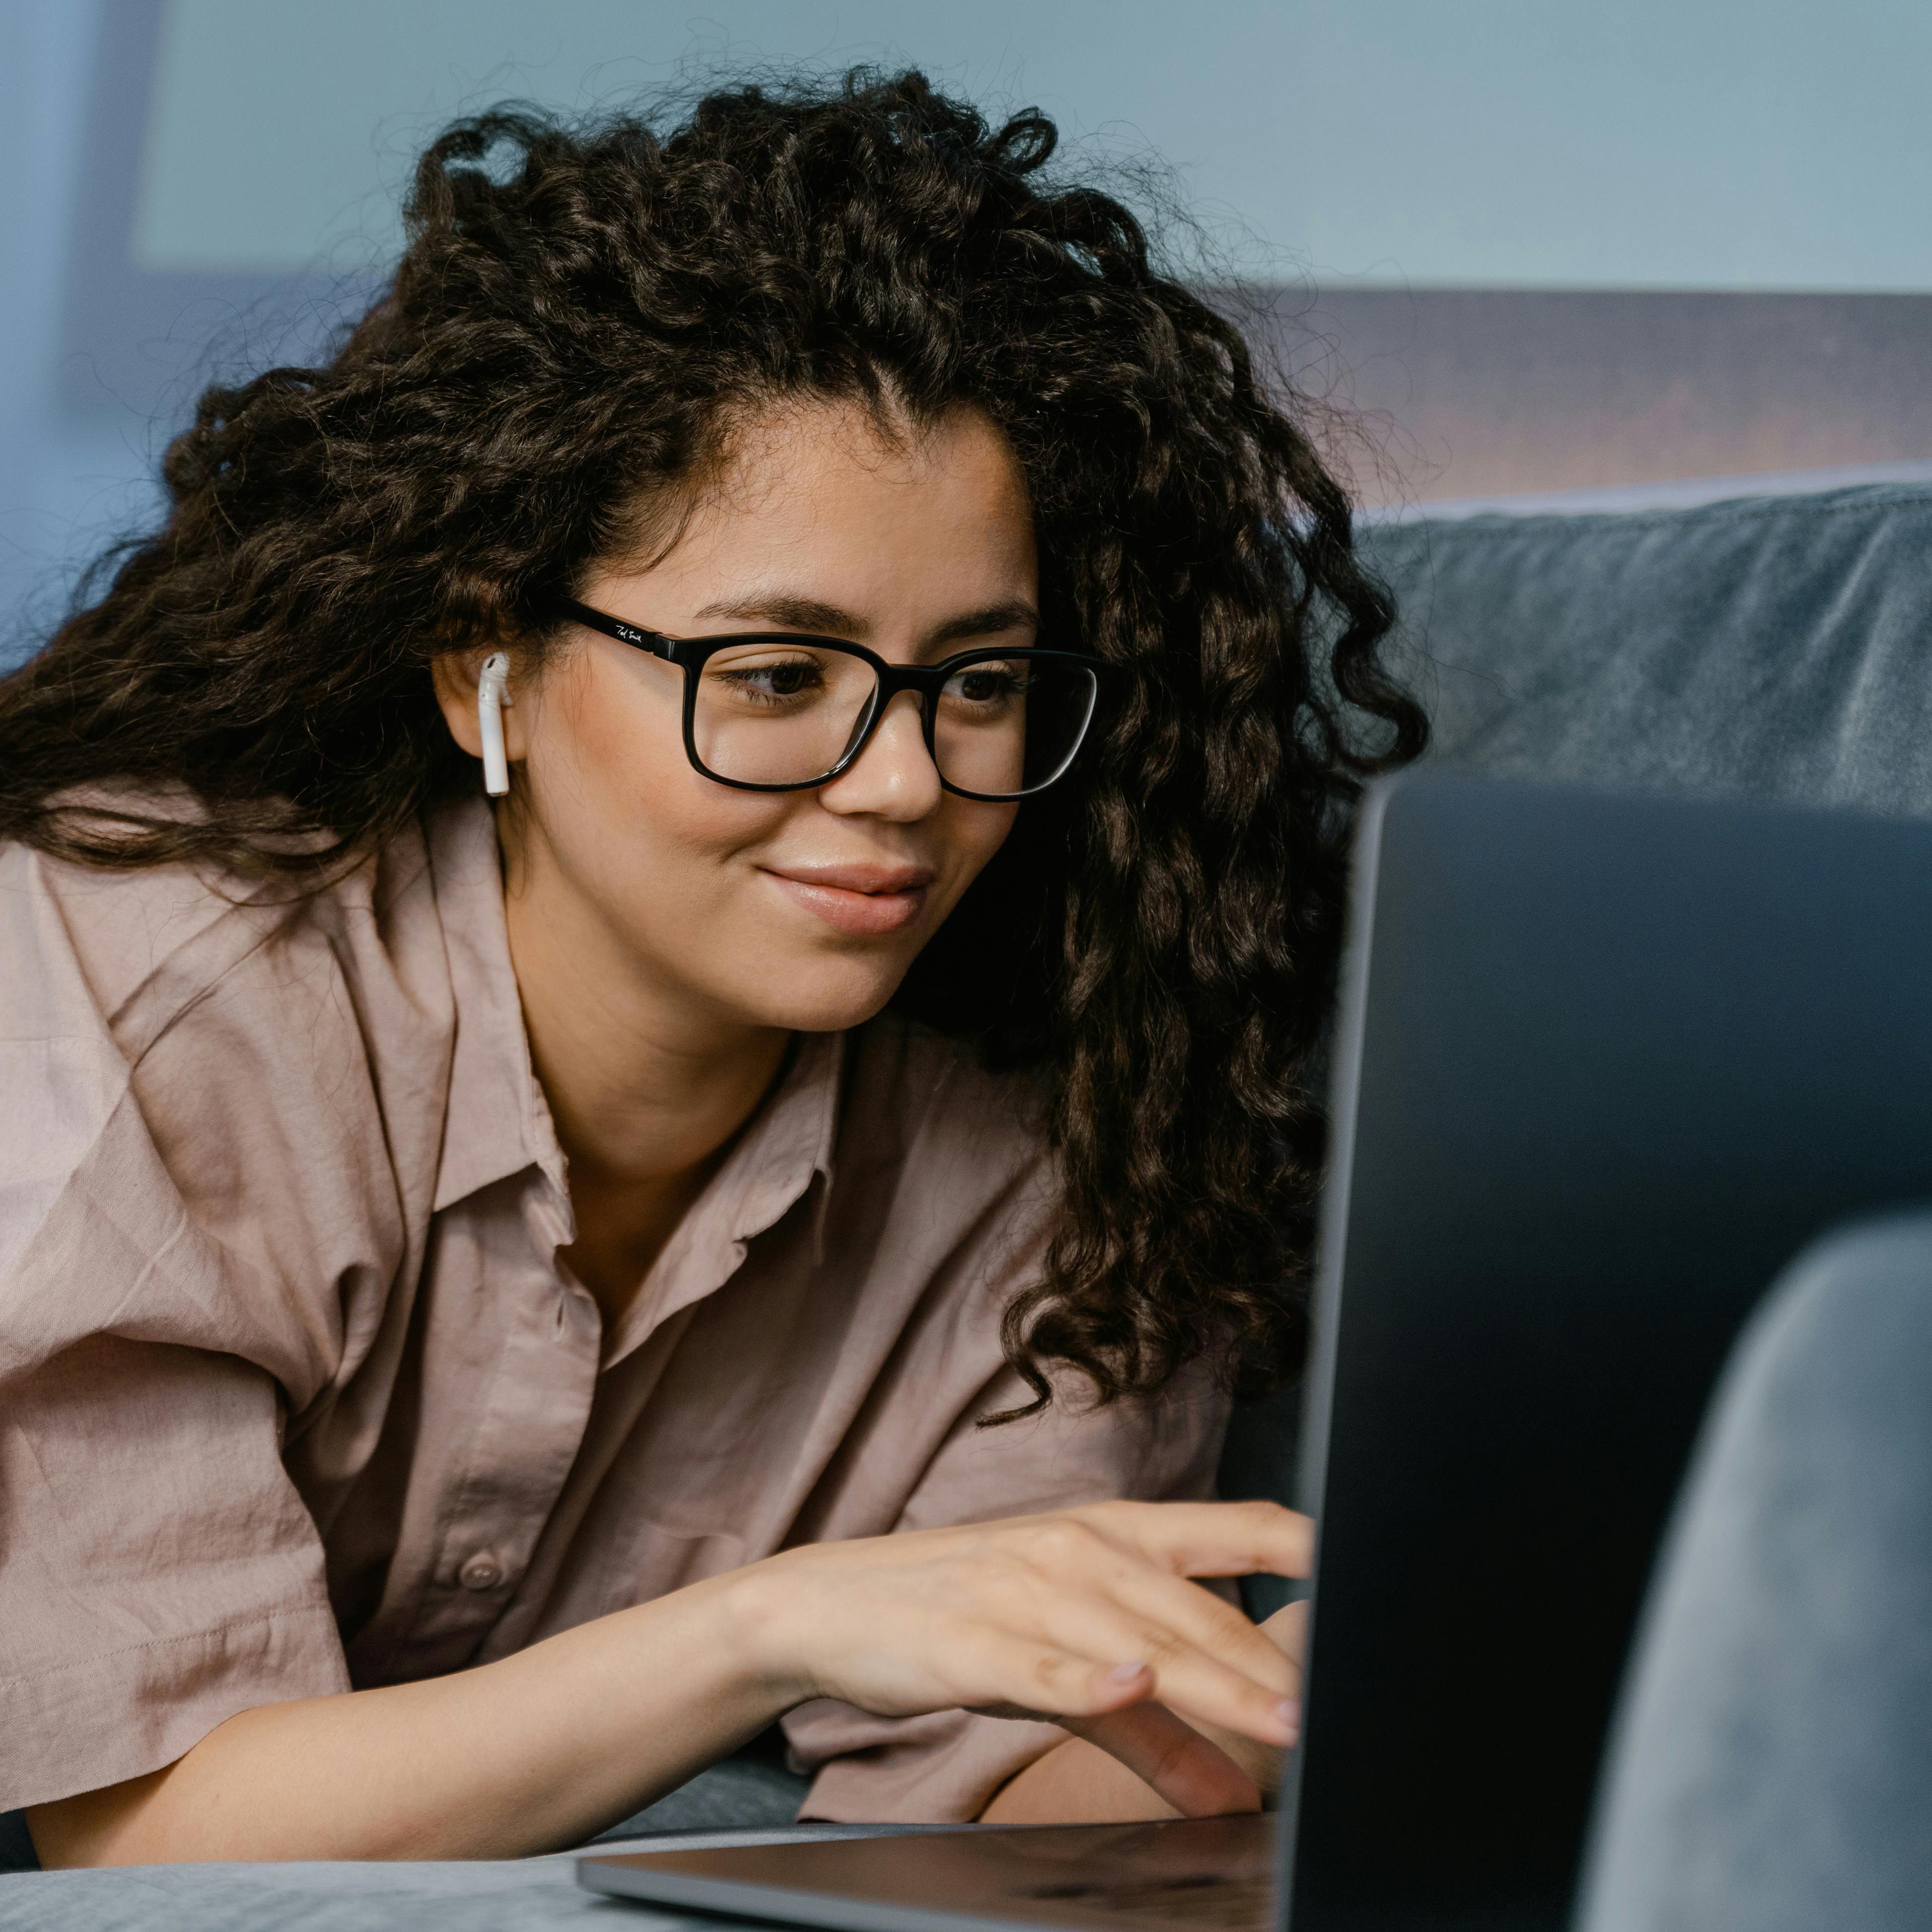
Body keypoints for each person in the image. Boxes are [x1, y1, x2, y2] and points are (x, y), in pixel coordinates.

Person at [0, 70, 1424, 1867]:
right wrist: (777, 1621)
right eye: (772, 678)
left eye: (978, 681)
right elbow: (147, 1853)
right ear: (484, 669)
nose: (905, 783)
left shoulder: (1082, 1137)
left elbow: (992, 1799)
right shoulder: (131, 983)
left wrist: (1299, 1695)